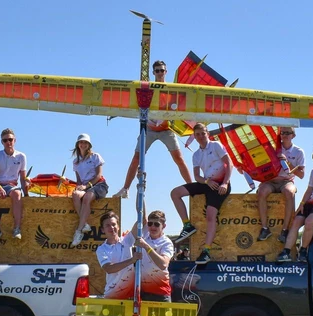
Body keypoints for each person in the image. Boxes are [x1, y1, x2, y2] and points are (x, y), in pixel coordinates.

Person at [113, 60, 192, 198]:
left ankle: (192, 187)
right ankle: (125, 188)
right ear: (153, 72)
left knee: (179, 158)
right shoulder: (147, 88)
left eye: (162, 70)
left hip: (166, 129)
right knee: (136, 158)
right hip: (149, 129)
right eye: (157, 70)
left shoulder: (171, 89)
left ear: (166, 72)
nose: (160, 73)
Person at [170, 123, 231, 264]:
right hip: (207, 183)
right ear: (195, 137)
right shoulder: (196, 155)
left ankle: (207, 251)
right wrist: (207, 181)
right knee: (175, 193)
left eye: (202, 133)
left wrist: (225, 183)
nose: (201, 137)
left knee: (210, 216)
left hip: (220, 184)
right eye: (197, 134)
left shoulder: (216, 146)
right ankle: (187, 225)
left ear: (207, 133)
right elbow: (197, 176)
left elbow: (229, 164)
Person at [252, 127, 305, 243]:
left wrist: (288, 163)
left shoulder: (298, 151)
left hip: (286, 181)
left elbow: (301, 175)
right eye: (282, 133)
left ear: (293, 136)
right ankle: (265, 228)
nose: (285, 135)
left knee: (290, 192)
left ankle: (285, 230)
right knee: (261, 192)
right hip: (270, 180)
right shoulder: (272, 148)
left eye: (288, 133)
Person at [0, 128, 29, 240]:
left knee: (17, 194)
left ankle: (17, 228)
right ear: (2, 142)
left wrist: (26, 194)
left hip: (12, 185)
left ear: (15, 140)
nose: (8, 142)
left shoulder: (21, 156)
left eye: (10, 139)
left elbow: (23, 178)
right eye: (5, 140)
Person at [70, 133, 108, 246]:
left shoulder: (95, 156)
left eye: (85, 142)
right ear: (78, 144)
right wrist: (79, 187)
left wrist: (86, 187)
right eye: (81, 142)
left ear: (89, 145)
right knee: (76, 195)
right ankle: (85, 223)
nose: (83, 144)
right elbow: (79, 181)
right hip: (86, 186)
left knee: (87, 197)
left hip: (99, 185)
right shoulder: (75, 162)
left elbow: (98, 176)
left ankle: (79, 230)